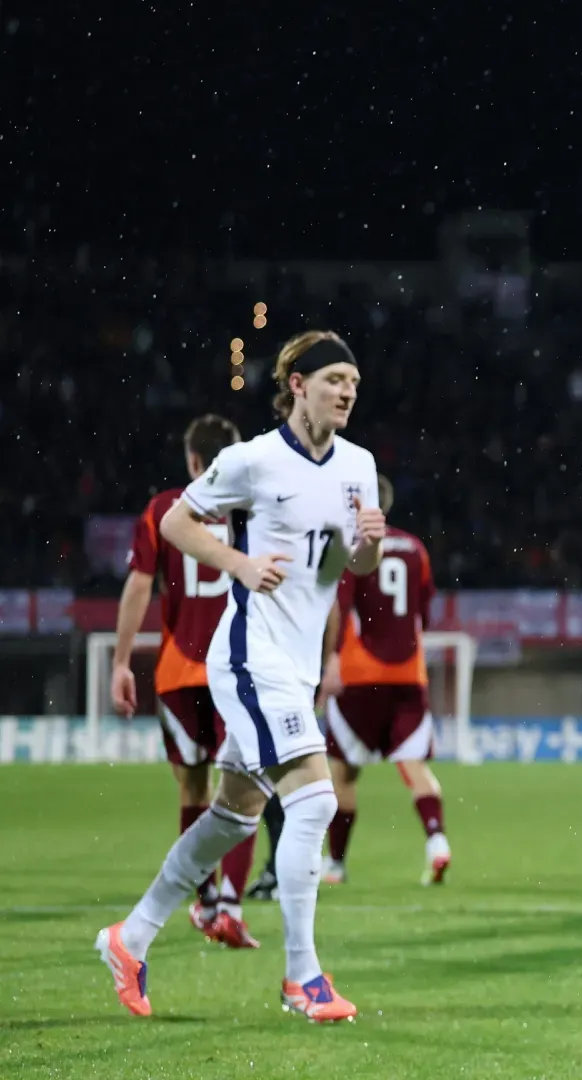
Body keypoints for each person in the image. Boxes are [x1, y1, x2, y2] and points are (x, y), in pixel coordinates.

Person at [95, 331, 383, 1024]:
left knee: (231, 817)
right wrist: (241, 564)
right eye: (334, 379)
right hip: (251, 659)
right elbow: (175, 523)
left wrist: (367, 546)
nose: (346, 392)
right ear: (298, 386)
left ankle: (128, 938)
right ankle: (302, 979)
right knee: (313, 802)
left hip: (295, 664)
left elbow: (356, 568)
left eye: (353, 382)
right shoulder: (252, 460)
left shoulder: (359, 465)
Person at [110, 414, 263, 949]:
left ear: (194, 462)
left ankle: (203, 901)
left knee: (193, 786)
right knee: (245, 790)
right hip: (240, 669)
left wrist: (121, 661)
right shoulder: (252, 506)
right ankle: (232, 904)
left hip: (180, 672)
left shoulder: (164, 510)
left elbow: (138, 586)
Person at [318, 474, 450, 887]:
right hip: (408, 674)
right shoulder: (416, 548)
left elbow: (337, 608)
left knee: (343, 773)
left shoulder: (350, 548)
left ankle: (336, 865)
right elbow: (424, 612)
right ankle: (436, 841)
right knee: (413, 764)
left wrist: (331, 659)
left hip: (358, 675)